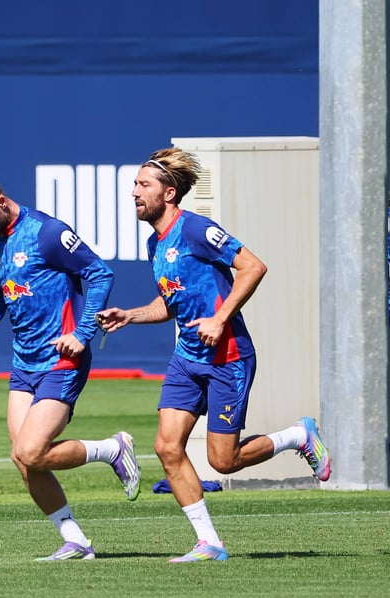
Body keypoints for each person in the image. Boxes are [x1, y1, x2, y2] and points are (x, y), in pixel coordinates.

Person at [96, 146, 331, 562]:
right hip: (187, 359)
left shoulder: (196, 230)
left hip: (229, 358)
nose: (134, 191)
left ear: (168, 193)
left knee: (223, 461)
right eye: (134, 184)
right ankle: (209, 543)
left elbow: (254, 266)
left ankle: (298, 435)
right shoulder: (157, 245)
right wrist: (131, 314)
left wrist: (221, 317)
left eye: (143, 184)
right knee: (168, 448)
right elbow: (171, 302)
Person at [0, 171, 140, 562]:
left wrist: (83, 333)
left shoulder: (47, 233)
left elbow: (100, 272)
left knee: (32, 450)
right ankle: (76, 540)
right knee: (22, 458)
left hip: (62, 359)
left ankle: (111, 450)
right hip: (24, 363)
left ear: (1, 202)